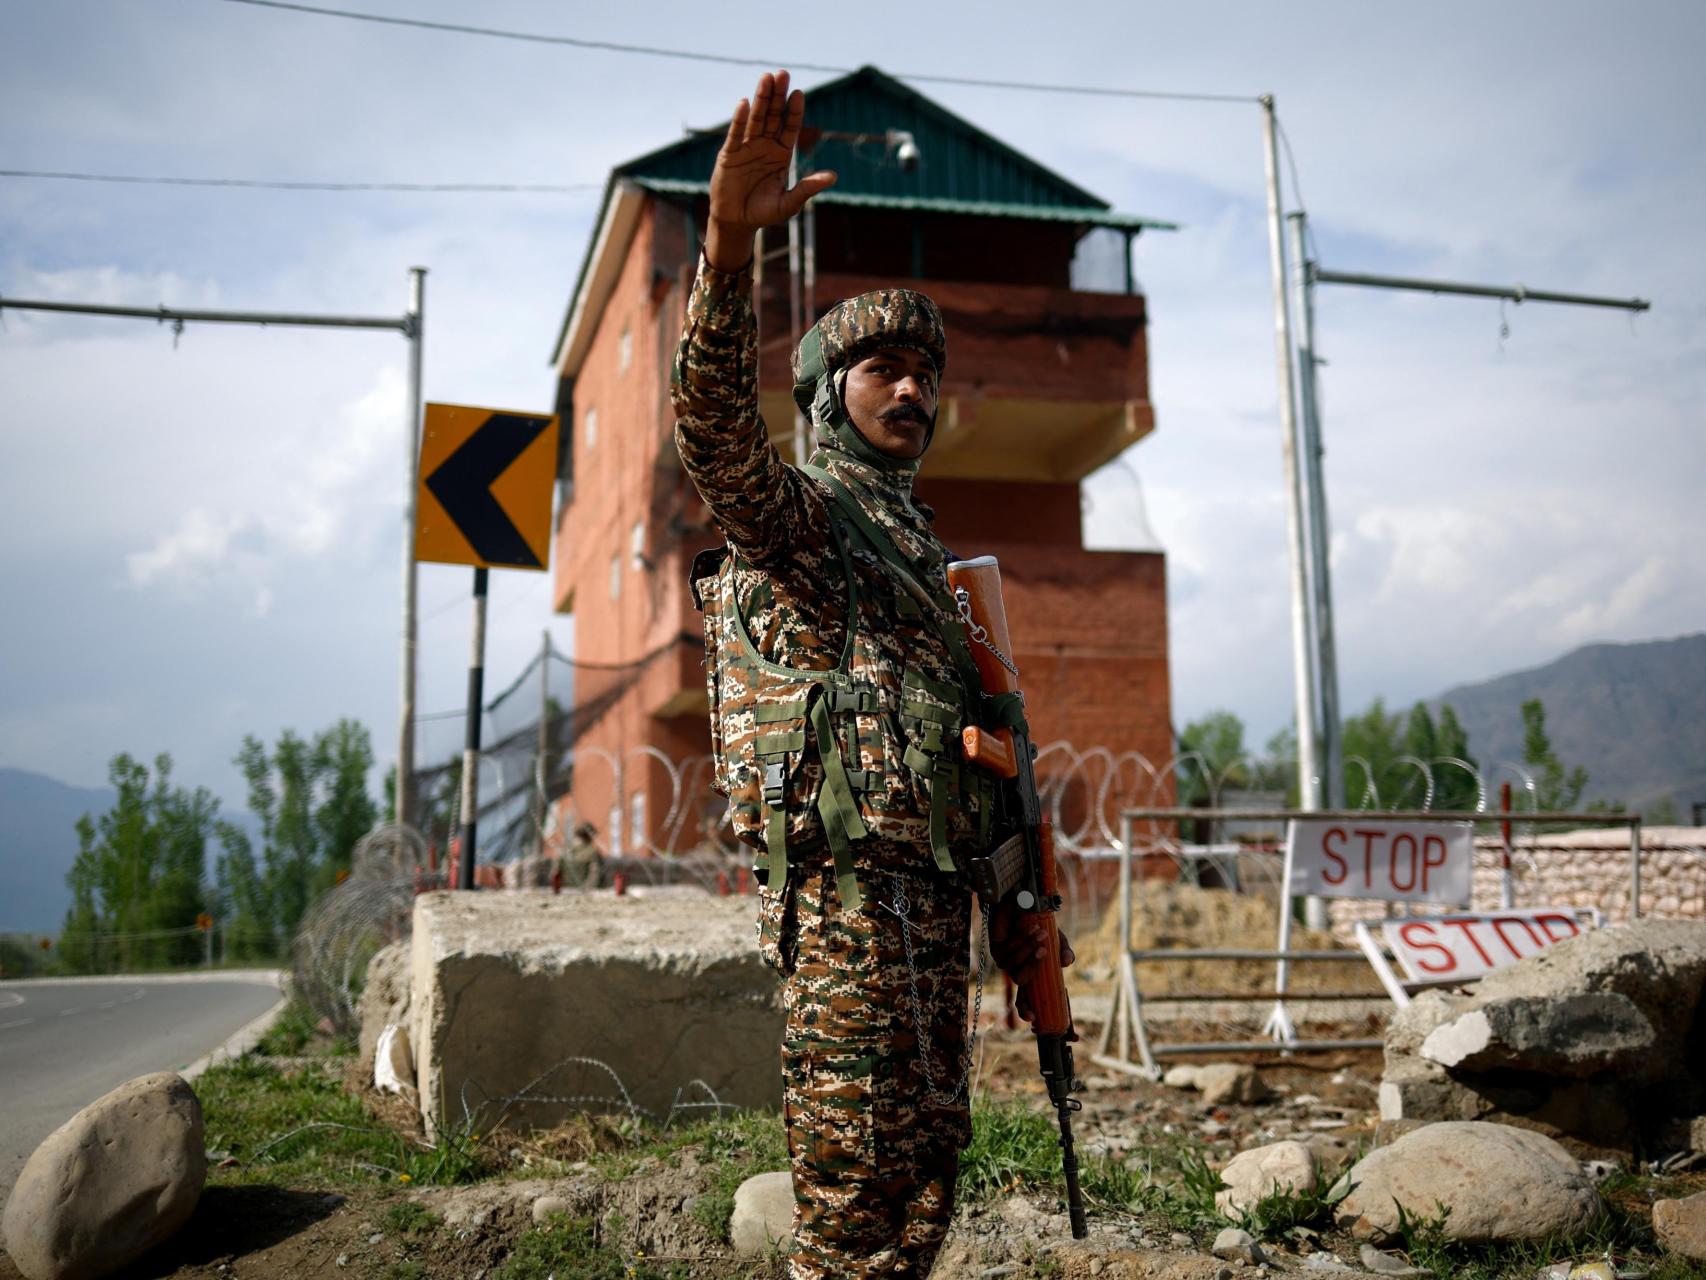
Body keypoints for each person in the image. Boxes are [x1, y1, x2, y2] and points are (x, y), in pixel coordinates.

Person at [671, 70, 1070, 1278]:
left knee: (926, 1177)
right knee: (851, 1195)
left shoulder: (927, 559)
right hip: (848, 906)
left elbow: (973, 751)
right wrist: (727, 248)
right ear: (823, 397)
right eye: (881, 369)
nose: (911, 389)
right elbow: (713, 434)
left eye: (923, 372)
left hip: (934, 905)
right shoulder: (801, 521)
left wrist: (1018, 902)